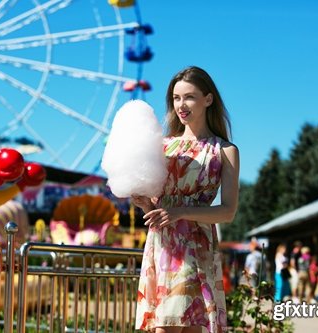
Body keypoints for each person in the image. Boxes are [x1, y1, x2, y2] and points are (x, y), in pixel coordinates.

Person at [131, 66, 240, 333]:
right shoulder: (162, 146)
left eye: (189, 97)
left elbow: (227, 212)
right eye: (176, 98)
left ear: (208, 99)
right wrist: (146, 204)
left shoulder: (225, 151)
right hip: (162, 246)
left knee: (176, 325)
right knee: (166, 326)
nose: (181, 104)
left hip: (195, 249)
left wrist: (179, 211)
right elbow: (158, 205)